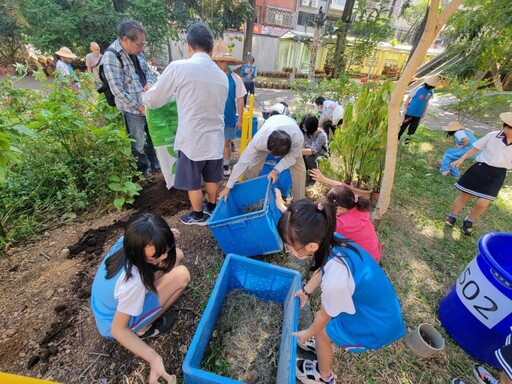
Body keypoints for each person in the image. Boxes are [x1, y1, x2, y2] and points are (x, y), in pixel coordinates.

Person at [277, 199, 405, 384]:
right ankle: (319, 347)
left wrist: (309, 332)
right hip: (372, 308)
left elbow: (324, 316)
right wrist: (306, 290)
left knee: (322, 333)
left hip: (375, 324)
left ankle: (324, 376)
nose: (287, 249)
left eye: (289, 245)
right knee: (321, 327)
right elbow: (324, 267)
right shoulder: (330, 239)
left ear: (312, 246)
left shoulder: (335, 281)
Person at [141, 22, 228, 225]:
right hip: (215, 137)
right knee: (212, 178)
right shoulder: (221, 76)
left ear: (189, 46)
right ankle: (212, 208)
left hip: (193, 139)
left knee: (193, 182)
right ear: (211, 48)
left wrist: (145, 96)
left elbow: (156, 99)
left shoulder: (179, 67)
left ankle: (198, 216)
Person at [91, 213, 190, 384]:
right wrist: (153, 358)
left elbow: (164, 252)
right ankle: (143, 327)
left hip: (105, 306)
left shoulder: (127, 241)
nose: (164, 256)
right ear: (138, 252)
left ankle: (145, 313)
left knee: (178, 256)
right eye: (156, 255)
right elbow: (118, 330)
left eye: (165, 249)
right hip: (113, 322)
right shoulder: (132, 284)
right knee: (182, 275)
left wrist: (163, 241)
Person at [102, 20, 160, 179]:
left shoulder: (137, 52)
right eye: (139, 44)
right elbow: (117, 90)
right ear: (126, 39)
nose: (142, 48)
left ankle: (157, 166)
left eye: (143, 44)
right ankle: (143, 172)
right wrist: (139, 107)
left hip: (147, 104)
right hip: (132, 110)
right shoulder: (112, 56)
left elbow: (148, 71)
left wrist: (150, 82)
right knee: (138, 143)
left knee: (152, 136)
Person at [218, 103, 306, 202]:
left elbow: (291, 158)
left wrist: (275, 170)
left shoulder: (297, 139)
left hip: (290, 127)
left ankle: (299, 202)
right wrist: (228, 187)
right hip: (271, 126)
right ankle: (252, 194)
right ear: (268, 148)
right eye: (273, 155)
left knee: (299, 170)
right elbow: (241, 163)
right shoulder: (259, 140)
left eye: (279, 156)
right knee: (253, 167)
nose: (276, 159)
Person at [445, 112, 512, 235]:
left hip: (498, 174)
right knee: (465, 196)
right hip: (480, 169)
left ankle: (469, 220)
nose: (509, 130)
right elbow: (475, 147)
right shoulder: (493, 136)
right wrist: (461, 159)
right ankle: (452, 216)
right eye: (507, 127)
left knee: (483, 203)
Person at [211, 40, 247, 177]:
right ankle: (214, 165)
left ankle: (225, 164)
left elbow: (240, 99)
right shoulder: (211, 77)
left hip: (229, 117)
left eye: (222, 62)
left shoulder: (235, 78)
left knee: (226, 142)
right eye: (217, 62)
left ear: (228, 62)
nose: (219, 65)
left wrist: (240, 119)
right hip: (213, 117)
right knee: (214, 142)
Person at [398, 75, 441, 144]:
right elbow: (408, 98)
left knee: (413, 128)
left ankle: (407, 140)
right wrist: (405, 109)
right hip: (410, 112)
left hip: (419, 114)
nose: (431, 87)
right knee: (403, 126)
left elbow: (427, 102)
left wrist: (424, 112)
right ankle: (397, 138)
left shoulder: (431, 92)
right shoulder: (418, 89)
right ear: (426, 83)